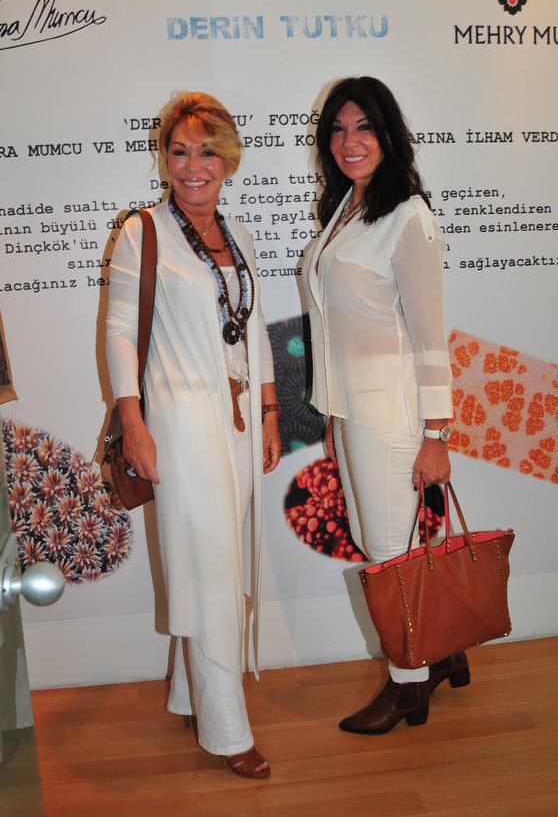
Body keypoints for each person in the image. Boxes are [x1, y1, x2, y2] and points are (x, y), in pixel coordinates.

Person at [106, 92, 281, 777]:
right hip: (179, 425)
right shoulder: (142, 232)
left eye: (206, 151)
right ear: (164, 159)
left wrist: (269, 412)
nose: (192, 165)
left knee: (224, 561)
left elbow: (255, 328)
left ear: (227, 159)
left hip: (238, 424)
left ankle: (189, 693)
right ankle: (228, 730)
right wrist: (133, 423)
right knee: (209, 571)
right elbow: (120, 332)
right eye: (179, 151)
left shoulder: (238, 235)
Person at [301, 77, 469, 734]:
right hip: (351, 412)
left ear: (388, 134)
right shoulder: (346, 207)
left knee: (387, 553)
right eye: (338, 129)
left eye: (364, 127)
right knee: (397, 548)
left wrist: (436, 435)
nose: (350, 141)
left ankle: (407, 686)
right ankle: (442, 650)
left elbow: (430, 338)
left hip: (393, 416)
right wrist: (332, 415)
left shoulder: (408, 217)